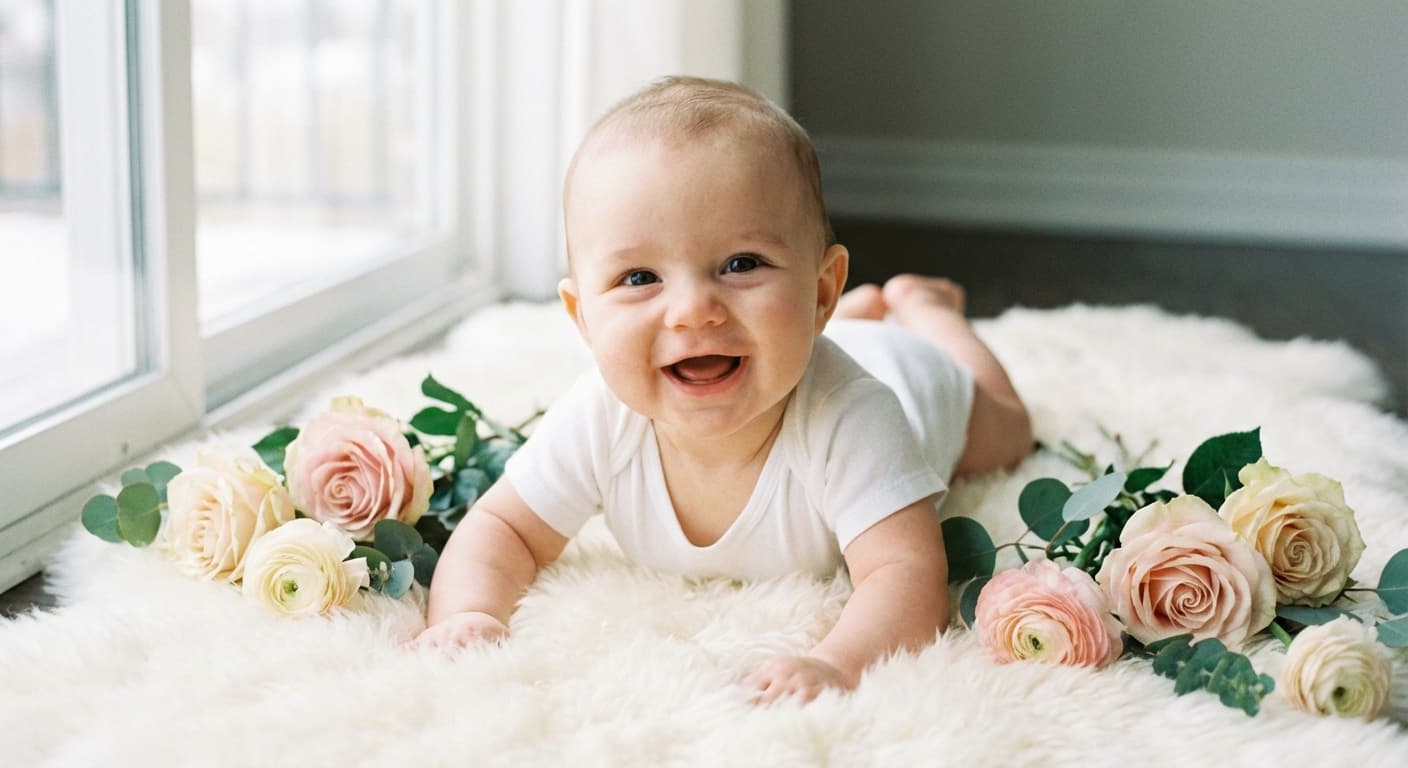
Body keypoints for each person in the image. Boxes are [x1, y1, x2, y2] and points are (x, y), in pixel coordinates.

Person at [411, 76, 1032, 703]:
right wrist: (468, 613)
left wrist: (837, 664)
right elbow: (504, 529)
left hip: (912, 372)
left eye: (740, 265)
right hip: (806, 340)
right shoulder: (600, 415)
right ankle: (859, 315)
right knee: (783, 340)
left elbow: (907, 575)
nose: (692, 311)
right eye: (639, 276)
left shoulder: (853, 416)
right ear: (583, 318)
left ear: (820, 290)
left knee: (1009, 431)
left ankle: (927, 311)